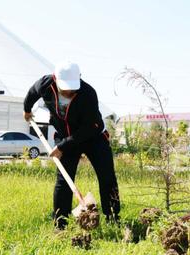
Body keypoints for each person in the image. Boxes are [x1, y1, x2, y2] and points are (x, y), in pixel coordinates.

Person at [23, 61, 120, 229]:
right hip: (65, 135)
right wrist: (27, 110)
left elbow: (90, 127)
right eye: (65, 87)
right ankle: (60, 223)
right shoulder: (45, 84)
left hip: (93, 136)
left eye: (72, 87)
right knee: (63, 181)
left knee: (107, 177)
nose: (69, 91)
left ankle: (113, 217)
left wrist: (62, 147)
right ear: (55, 79)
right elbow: (32, 93)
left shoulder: (88, 93)